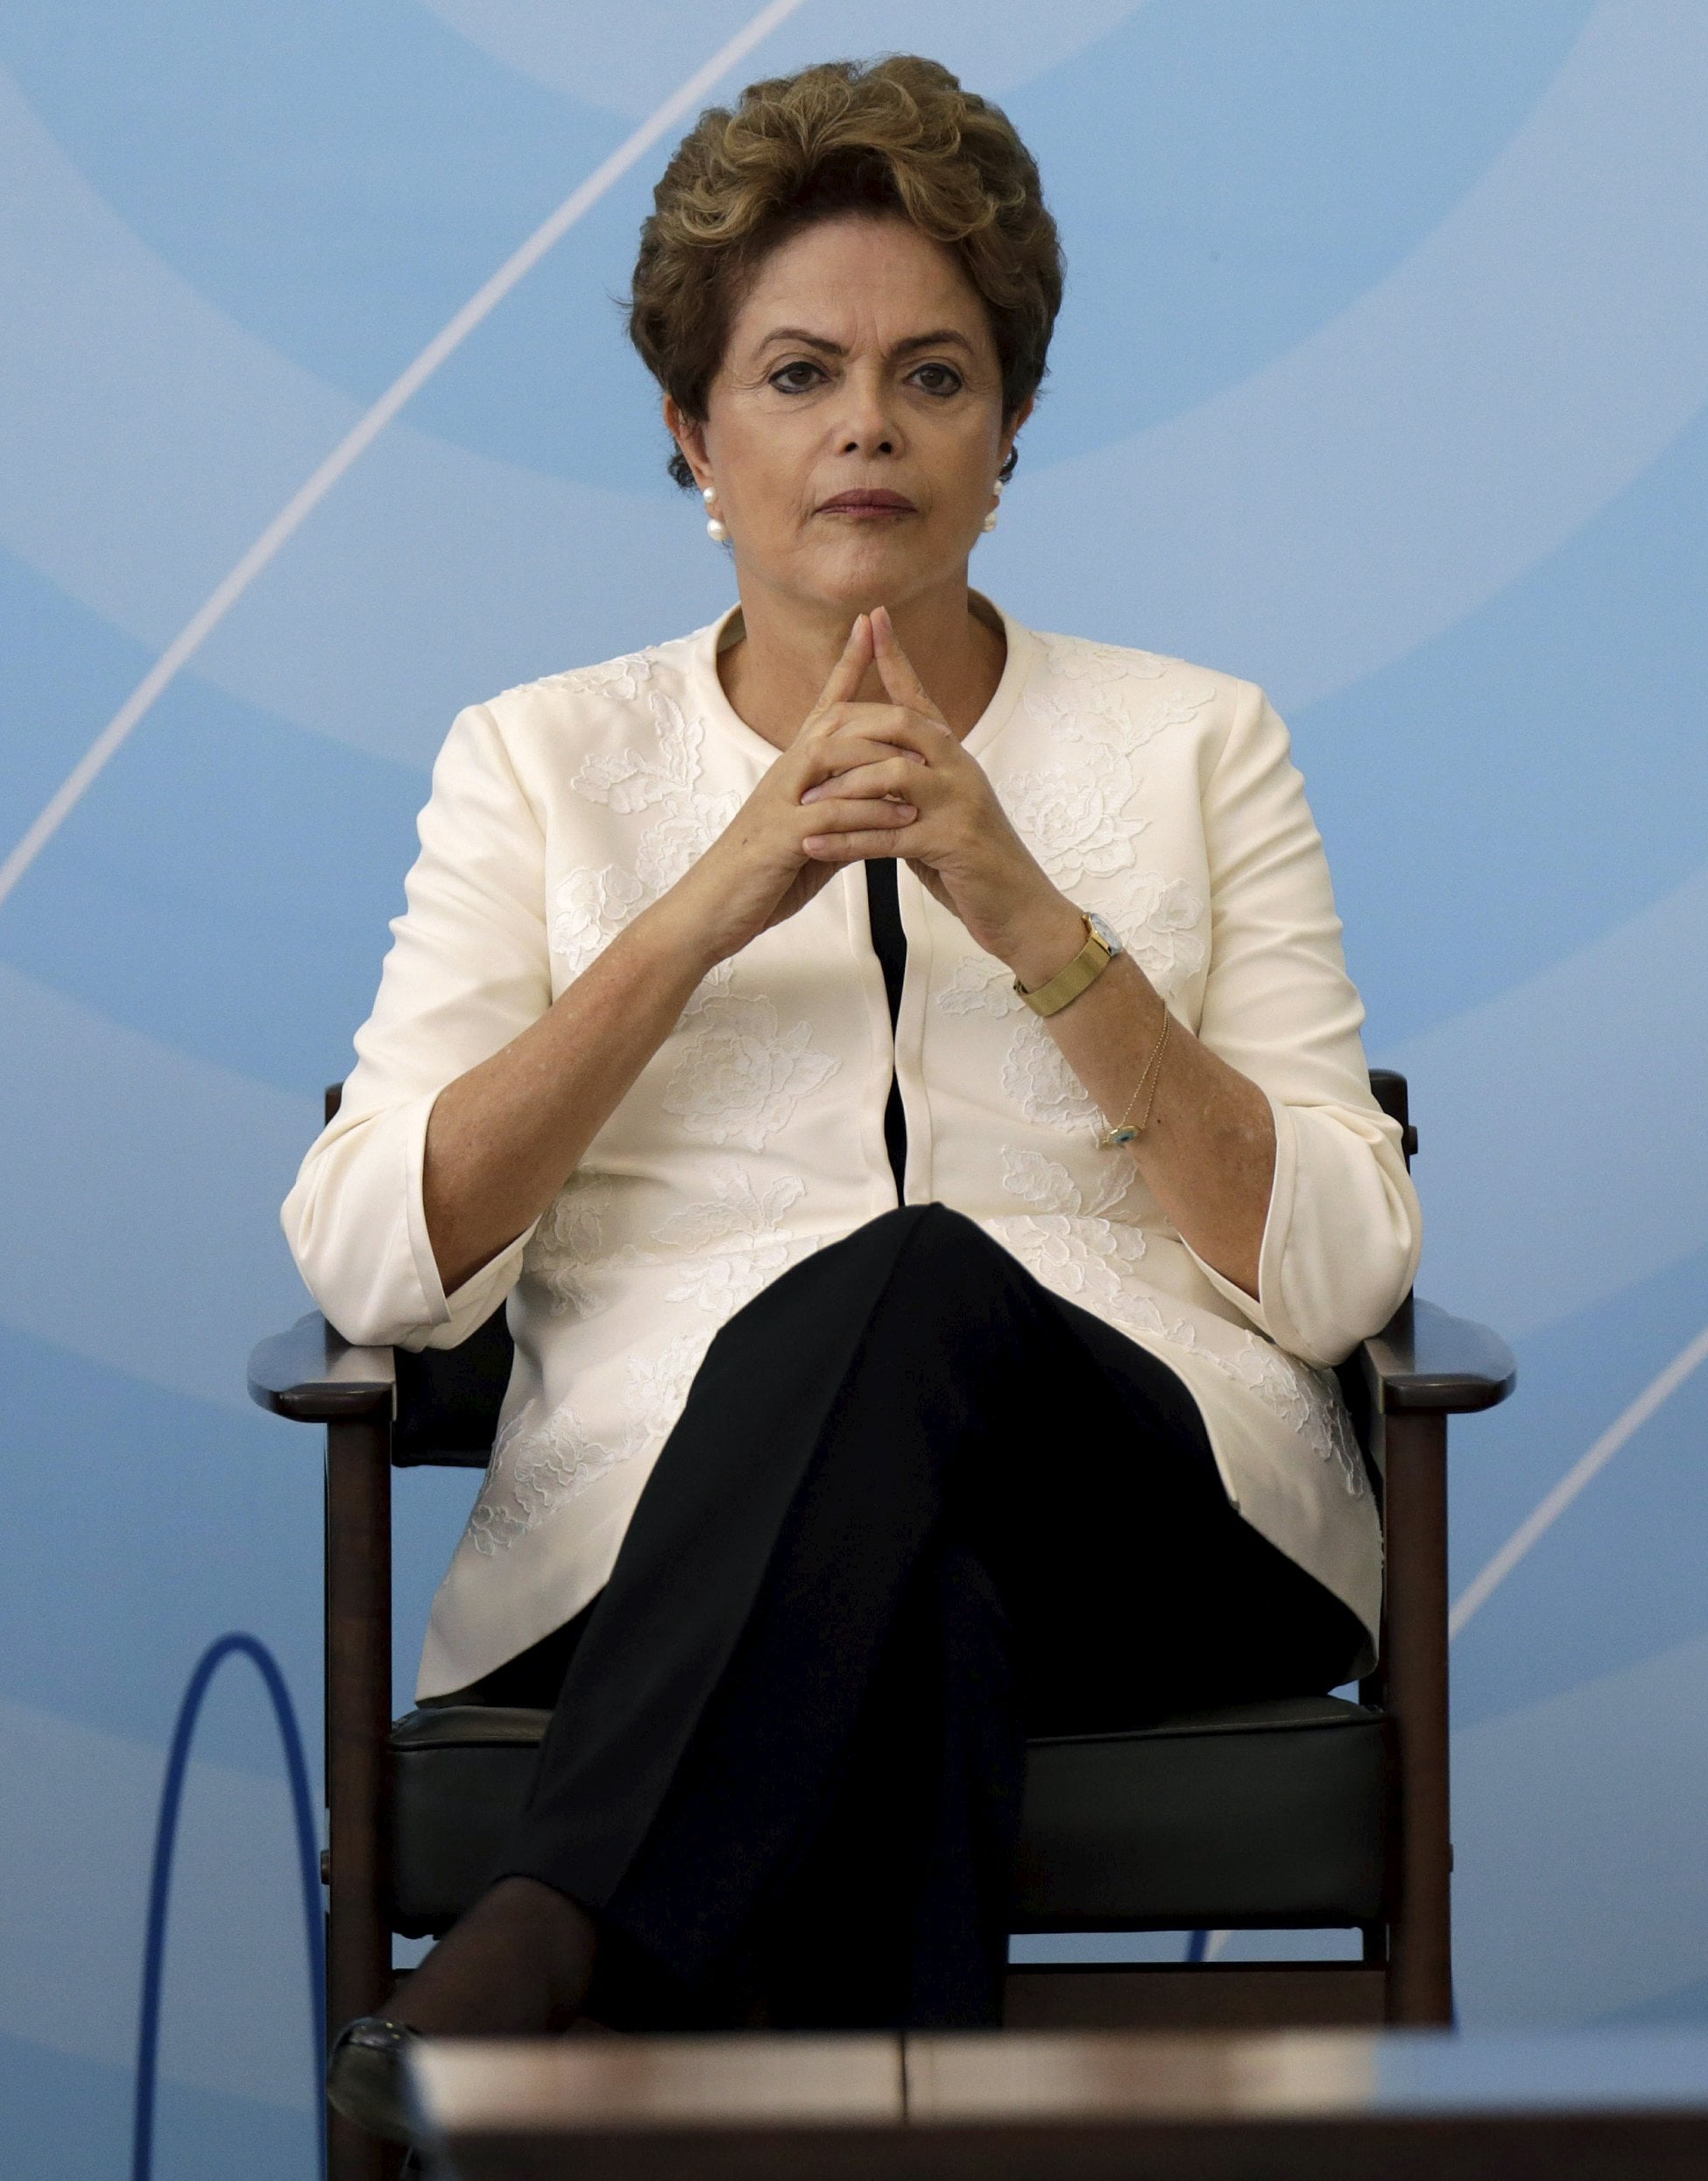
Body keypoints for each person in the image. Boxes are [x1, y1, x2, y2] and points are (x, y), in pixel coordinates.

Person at [285, 56, 1415, 2136]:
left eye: (936, 376)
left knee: (919, 1281)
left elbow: (1339, 1269)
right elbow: (377, 1251)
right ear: (689, 438)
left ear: (1008, 433)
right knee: (915, 1628)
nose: (869, 429)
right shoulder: (537, 761)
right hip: (661, 1548)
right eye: (799, 374)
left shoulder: (1198, 743)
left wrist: (1027, 907)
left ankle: (535, 1941)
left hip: (1152, 1516)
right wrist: (702, 912)